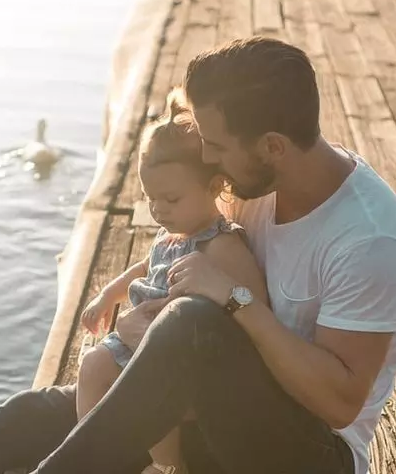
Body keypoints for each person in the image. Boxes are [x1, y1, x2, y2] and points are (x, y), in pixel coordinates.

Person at [0, 36, 396, 474]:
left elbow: (338, 404)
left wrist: (236, 301)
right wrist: (144, 326)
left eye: (216, 147)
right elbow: (180, 253)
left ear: (272, 146)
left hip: (304, 451)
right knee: (30, 416)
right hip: (202, 409)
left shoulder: (372, 240)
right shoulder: (253, 184)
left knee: (191, 325)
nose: (206, 159)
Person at [75, 89, 268, 473]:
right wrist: (108, 296)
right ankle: (93, 452)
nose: (159, 210)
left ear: (214, 187)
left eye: (171, 199)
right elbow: (144, 268)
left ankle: (169, 465)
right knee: (92, 365)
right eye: (151, 199)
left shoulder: (221, 244)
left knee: (153, 392)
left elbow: (254, 302)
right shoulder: (171, 237)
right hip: (141, 337)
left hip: (181, 352)